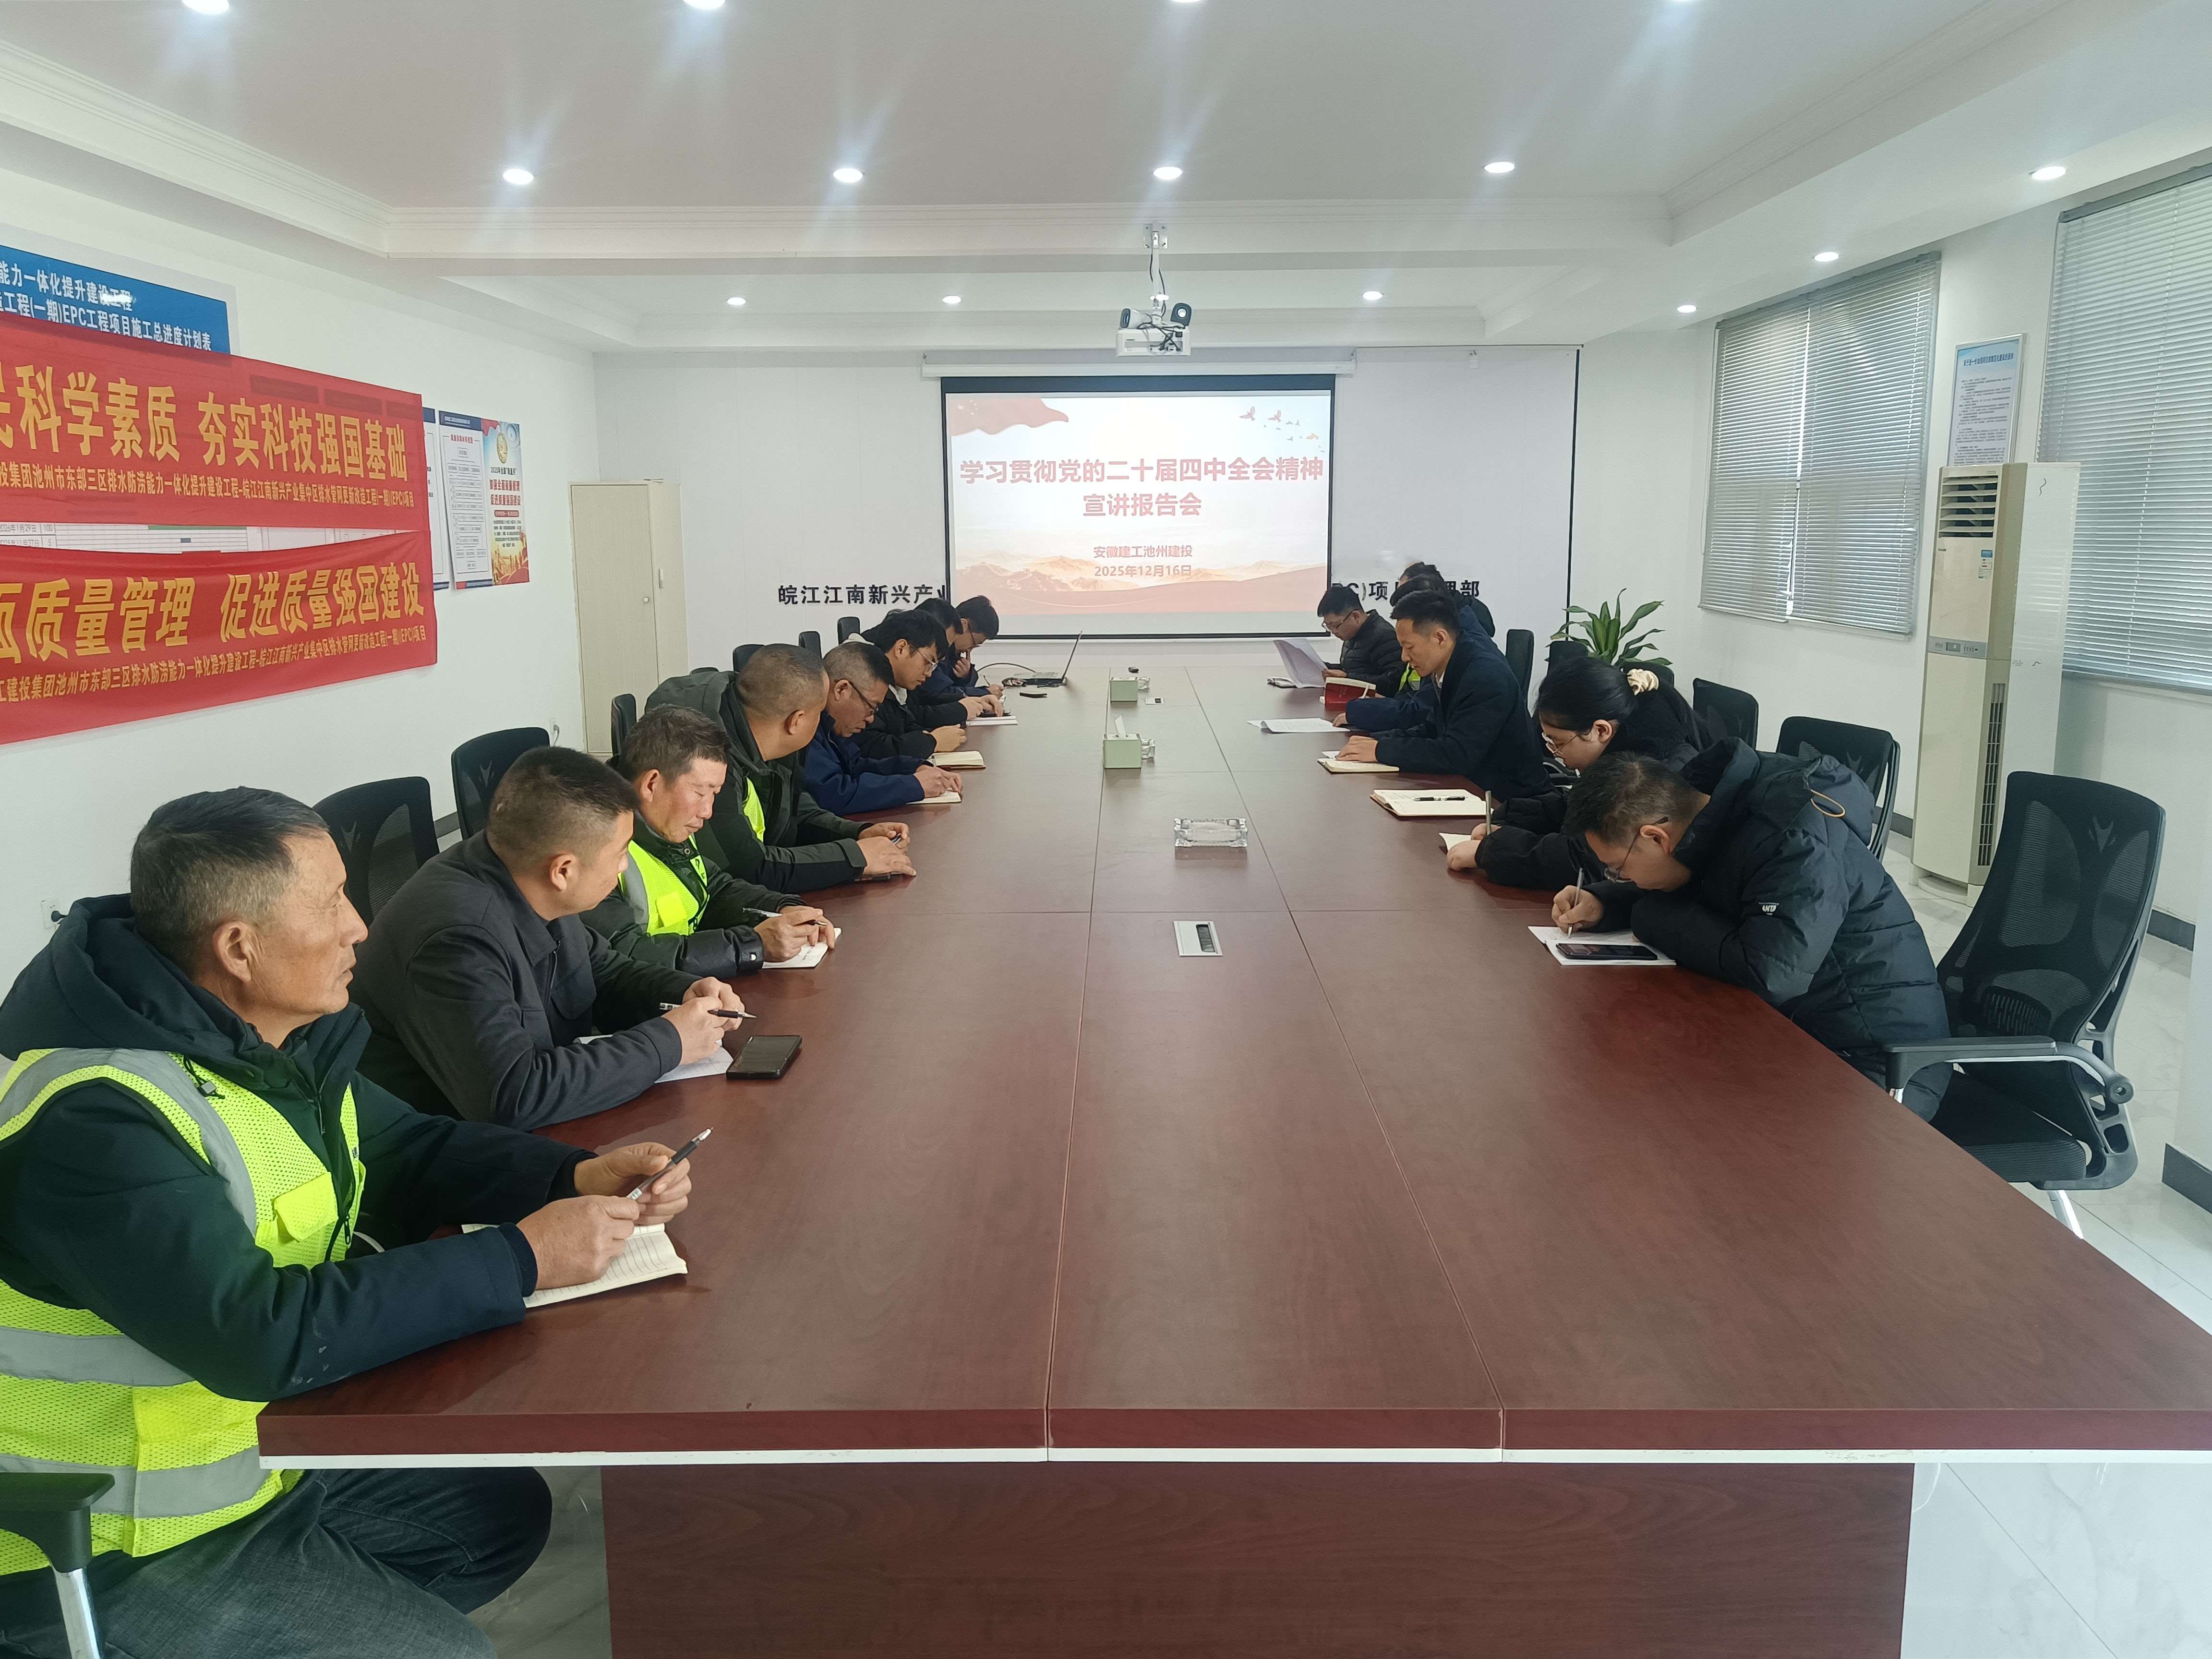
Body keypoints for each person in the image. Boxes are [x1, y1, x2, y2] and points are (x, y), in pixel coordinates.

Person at [0, 789, 701, 1659]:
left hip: (256, 1452)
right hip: (108, 1536)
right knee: (451, 1656)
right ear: (239, 947)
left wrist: (573, 1173)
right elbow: (257, 1334)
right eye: (331, 901)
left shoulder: (260, 1040)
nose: (359, 927)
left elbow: (406, 1146)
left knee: (496, 1516)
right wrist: (521, 1259)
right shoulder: (96, 1117)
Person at [353, 746, 746, 1129]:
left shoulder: (527, 875)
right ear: (563, 871)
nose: (624, 866)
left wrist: (684, 991)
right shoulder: (457, 941)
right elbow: (515, 1095)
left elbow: (603, 972)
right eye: (621, 853)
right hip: (441, 1148)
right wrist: (670, 1042)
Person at [1556, 744, 1951, 1118]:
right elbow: (1698, 881)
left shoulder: (1792, 841)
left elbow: (1771, 972)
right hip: (1796, 1032)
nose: (1622, 878)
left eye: (1619, 870)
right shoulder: (1706, 811)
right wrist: (1606, 902)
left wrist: (1647, 915)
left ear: (1656, 837)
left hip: (1877, 1065)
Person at [588, 705, 835, 973]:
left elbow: (713, 888)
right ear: (652, 785)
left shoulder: (664, 823)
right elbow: (624, 955)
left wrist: (780, 908)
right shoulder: (593, 848)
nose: (708, 812)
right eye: (699, 793)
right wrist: (752, 946)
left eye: (714, 794)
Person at [649, 643, 917, 890]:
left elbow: (794, 808)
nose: (822, 721)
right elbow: (749, 868)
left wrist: (857, 833)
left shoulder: (761, 725)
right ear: (797, 721)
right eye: (819, 713)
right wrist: (854, 859)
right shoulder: (708, 762)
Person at [1450, 655, 1707, 888]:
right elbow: (1578, 808)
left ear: (1601, 731)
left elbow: (1588, 861)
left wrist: (1490, 852)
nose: (1554, 753)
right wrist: (1512, 818)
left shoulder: (1645, 777)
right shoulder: (1629, 747)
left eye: (1559, 743)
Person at [1333, 589, 1552, 796]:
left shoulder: (1484, 676)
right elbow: (1433, 729)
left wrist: (1382, 750)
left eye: (1410, 647)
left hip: (1510, 799)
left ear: (1440, 638)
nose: (1404, 658)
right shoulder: (1448, 664)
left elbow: (1457, 754)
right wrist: (1376, 741)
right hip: (1474, 786)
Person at [807, 639, 963, 814]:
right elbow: (833, 794)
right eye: (871, 707)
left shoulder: (830, 725)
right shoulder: (804, 727)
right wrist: (913, 785)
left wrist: (914, 768)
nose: (871, 719)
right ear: (841, 690)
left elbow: (857, 766)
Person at [853, 610, 966, 759]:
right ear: (901, 649)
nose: (929, 673)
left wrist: (935, 737)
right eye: (928, 662)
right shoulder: (864, 682)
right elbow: (871, 748)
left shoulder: (898, 686)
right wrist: (932, 742)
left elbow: (909, 726)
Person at [917, 594, 1005, 710]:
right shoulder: (936, 650)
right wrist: (984, 692)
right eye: (974, 642)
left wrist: (966, 676)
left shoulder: (954, 652)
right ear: (963, 626)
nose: (970, 649)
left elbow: (952, 691)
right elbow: (938, 694)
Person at [1317, 582, 1409, 689]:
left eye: (1335, 626)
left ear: (1355, 616)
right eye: (1328, 626)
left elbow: (1392, 682)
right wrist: (1325, 668)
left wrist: (1348, 679)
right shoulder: (1353, 634)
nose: (1333, 631)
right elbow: (1353, 668)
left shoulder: (1384, 635)